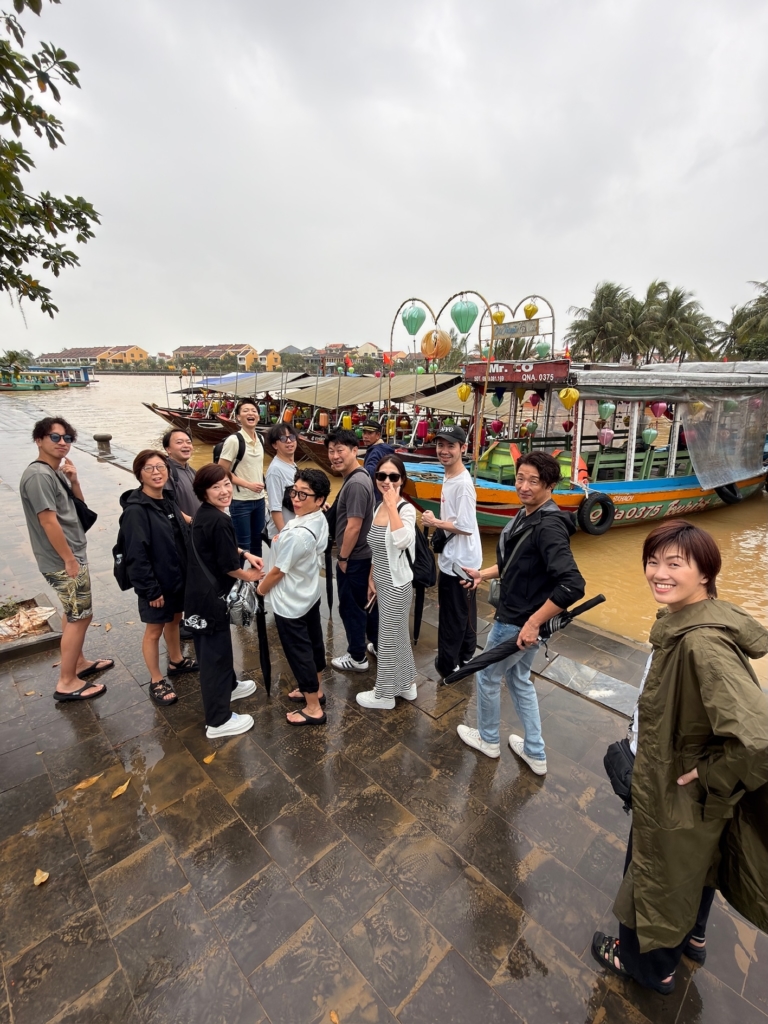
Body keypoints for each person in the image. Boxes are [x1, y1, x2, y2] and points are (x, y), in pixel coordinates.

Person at [592, 520, 768, 996]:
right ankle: (693, 937)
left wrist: (710, 771)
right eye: (652, 561)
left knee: (655, 877)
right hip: (693, 793)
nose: (658, 573)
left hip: (677, 789)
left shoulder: (701, 642)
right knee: (697, 863)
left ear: (705, 573)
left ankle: (649, 969)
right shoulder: (692, 620)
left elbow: (759, 739)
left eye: (675, 563)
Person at [456, 451, 585, 773]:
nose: (524, 486)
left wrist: (532, 624)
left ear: (550, 485)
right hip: (522, 618)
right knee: (520, 679)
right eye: (520, 478)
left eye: (533, 481)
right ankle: (535, 752)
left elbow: (573, 585)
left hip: (518, 622)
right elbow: (519, 564)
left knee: (487, 676)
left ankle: (487, 739)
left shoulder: (549, 526)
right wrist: (482, 575)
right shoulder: (529, 515)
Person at [19, 417, 113, 701]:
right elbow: (48, 522)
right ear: (39, 439)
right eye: (55, 437)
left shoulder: (55, 472)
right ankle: (67, 681)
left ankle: (79, 663)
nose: (62, 443)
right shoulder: (39, 476)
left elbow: (77, 509)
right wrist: (69, 560)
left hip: (69, 554)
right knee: (81, 617)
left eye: (68, 438)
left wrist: (74, 480)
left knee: (73, 612)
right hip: (63, 560)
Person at [184, 463, 264, 739]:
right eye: (215, 487)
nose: (224, 491)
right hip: (209, 599)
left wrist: (244, 553)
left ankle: (229, 685)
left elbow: (221, 548)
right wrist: (251, 574)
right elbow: (228, 565)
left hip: (199, 594)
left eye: (227, 484)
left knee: (216, 649)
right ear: (203, 492)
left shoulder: (206, 514)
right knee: (213, 657)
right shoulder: (218, 519)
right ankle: (217, 721)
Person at [119, 450, 197, 707]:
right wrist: (150, 590)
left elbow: (185, 528)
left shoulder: (169, 499)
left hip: (177, 576)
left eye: (161, 467)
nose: (156, 472)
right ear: (139, 473)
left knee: (175, 620)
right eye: (149, 468)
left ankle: (176, 660)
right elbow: (136, 554)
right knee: (154, 630)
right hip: (156, 582)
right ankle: (156, 679)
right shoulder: (136, 510)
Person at [257, 469, 330, 725]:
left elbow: (277, 572)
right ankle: (316, 691)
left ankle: (313, 709)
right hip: (308, 593)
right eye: (294, 492)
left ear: (319, 499)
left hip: (290, 602)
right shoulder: (319, 518)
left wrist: (260, 589)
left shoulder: (297, 535)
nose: (296, 499)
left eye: (303, 494)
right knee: (314, 644)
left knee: (299, 652)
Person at [356, 455, 418, 709]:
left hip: (397, 584)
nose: (387, 481)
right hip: (382, 579)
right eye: (382, 476)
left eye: (393, 477)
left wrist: (392, 505)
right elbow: (378, 548)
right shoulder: (376, 507)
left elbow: (403, 540)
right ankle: (407, 684)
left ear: (402, 480)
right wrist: (372, 574)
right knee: (399, 635)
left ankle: (384, 695)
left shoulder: (406, 509)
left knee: (388, 639)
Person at [421, 425, 482, 678]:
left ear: (462, 449)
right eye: (440, 445)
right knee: (464, 611)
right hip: (464, 557)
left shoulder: (463, 484)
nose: (444, 451)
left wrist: (434, 522)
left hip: (459, 560)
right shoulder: (450, 475)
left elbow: (465, 527)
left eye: (450, 446)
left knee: (451, 616)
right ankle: (466, 654)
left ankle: (449, 665)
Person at [325, 428, 379, 672]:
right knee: (367, 603)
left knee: (351, 607)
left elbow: (353, 526)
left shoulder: (356, 482)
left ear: (355, 450)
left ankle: (356, 656)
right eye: (331, 451)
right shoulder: (360, 475)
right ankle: (378, 644)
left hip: (355, 556)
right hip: (364, 555)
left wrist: (343, 557)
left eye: (340, 450)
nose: (335, 456)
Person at [219, 399, 266, 557]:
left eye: (253, 410)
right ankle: (237, 580)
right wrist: (248, 485)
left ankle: (256, 581)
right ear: (238, 417)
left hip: (259, 500)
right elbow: (221, 470)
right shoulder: (234, 441)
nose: (250, 413)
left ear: (258, 417)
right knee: (242, 545)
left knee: (257, 542)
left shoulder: (260, 439)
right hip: (240, 501)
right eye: (245, 411)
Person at [264, 422, 298, 540]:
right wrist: (285, 536)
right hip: (283, 534)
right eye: (283, 438)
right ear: (275, 445)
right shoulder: (275, 471)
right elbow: (275, 508)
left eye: (292, 437)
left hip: (295, 529)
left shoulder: (291, 465)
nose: (289, 441)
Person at [162, 428, 201, 519]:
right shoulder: (166, 473)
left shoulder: (193, 472)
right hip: (182, 529)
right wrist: (190, 521)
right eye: (179, 442)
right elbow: (166, 506)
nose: (186, 445)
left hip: (198, 528)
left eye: (188, 442)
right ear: (168, 449)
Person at [360, 419, 395, 488]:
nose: (365, 436)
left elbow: (371, 472)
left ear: (378, 435)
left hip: (376, 494)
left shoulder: (376, 451)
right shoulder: (381, 448)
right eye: (364, 432)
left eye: (369, 433)